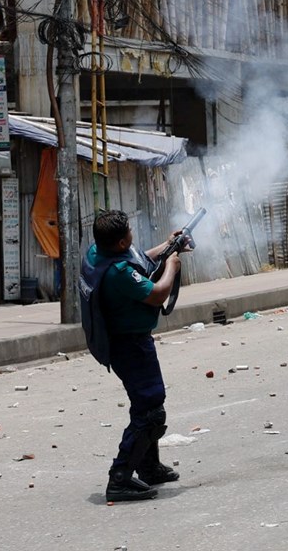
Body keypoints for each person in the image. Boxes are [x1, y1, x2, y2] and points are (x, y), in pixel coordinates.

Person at [81, 210, 188, 502]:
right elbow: (157, 293)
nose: (132, 235)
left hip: (119, 340)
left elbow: (136, 258)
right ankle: (120, 478)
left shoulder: (97, 252)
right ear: (118, 242)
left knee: (144, 403)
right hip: (129, 344)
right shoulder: (119, 273)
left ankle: (149, 466)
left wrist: (167, 247)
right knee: (151, 408)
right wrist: (172, 266)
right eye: (128, 232)